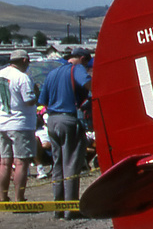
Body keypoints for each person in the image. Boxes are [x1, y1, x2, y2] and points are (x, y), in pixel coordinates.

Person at [37, 47, 92, 217]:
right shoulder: (77, 70)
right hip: (68, 118)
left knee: (58, 164)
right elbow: (90, 85)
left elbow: (42, 100)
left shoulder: (53, 73)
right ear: (82, 58)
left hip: (52, 120)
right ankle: (71, 209)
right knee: (72, 163)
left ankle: (58, 207)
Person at [0, 50, 38, 203]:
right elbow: (29, 100)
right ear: (24, 60)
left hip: (2, 121)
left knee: (4, 162)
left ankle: (2, 196)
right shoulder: (22, 78)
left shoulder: (1, 74)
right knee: (21, 162)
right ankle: (19, 197)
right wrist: (36, 92)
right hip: (20, 123)